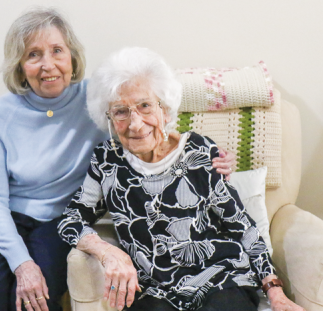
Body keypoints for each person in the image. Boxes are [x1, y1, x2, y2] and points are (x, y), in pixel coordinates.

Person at [0, 7, 234, 311]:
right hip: (2, 218)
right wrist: (23, 265)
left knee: (34, 305)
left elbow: (148, 127)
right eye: (33, 55)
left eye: (57, 50)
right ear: (20, 66)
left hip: (57, 221)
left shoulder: (96, 98)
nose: (48, 64)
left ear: (72, 57)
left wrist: (206, 157)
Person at [57, 47, 305, 311]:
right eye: (121, 111)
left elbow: (242, 226)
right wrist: (108, 253)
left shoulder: (198, 151)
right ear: (108, 118)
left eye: (144, 106)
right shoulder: (107, 161)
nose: (136, 123)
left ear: (164, 110)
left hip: (220, 276)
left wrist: (274, 290)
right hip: (154, 290)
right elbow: (71, 220)